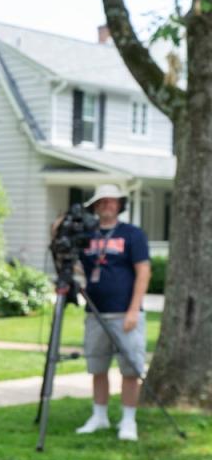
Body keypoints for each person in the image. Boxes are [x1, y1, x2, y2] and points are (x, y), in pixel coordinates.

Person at [75, 184, 151, 441]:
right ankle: (99, 416)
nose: (107, 205)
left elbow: (143, 271)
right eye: (102, 201)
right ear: (95, 206)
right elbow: (77, 267)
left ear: (119, 205)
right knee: (98, 367)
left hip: (125, 313)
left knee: (130, 369)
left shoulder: (132, 234)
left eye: (112, 201)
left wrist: (133, 309)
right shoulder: (86, 235)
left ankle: (128, 421)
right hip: (95, 313)